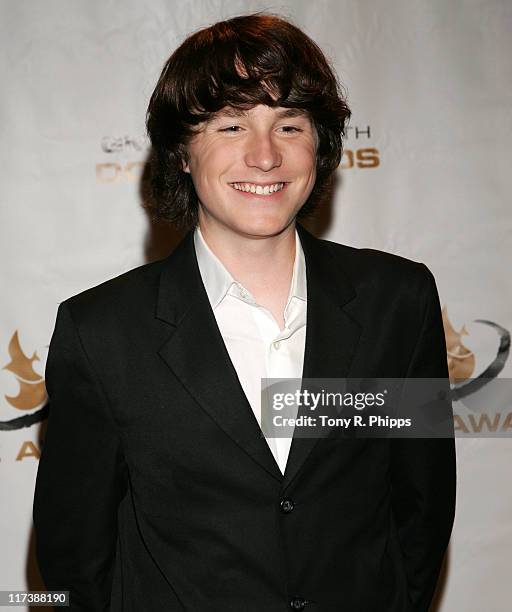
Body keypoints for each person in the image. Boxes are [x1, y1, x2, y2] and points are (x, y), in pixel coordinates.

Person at [33, 13, 456, 612]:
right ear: (181, 154)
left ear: (320, 144)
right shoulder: (102, 332)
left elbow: (423, 505)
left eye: (289, 124)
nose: (265, 156)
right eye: (231, 125)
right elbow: (73, 555)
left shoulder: (398, 300)